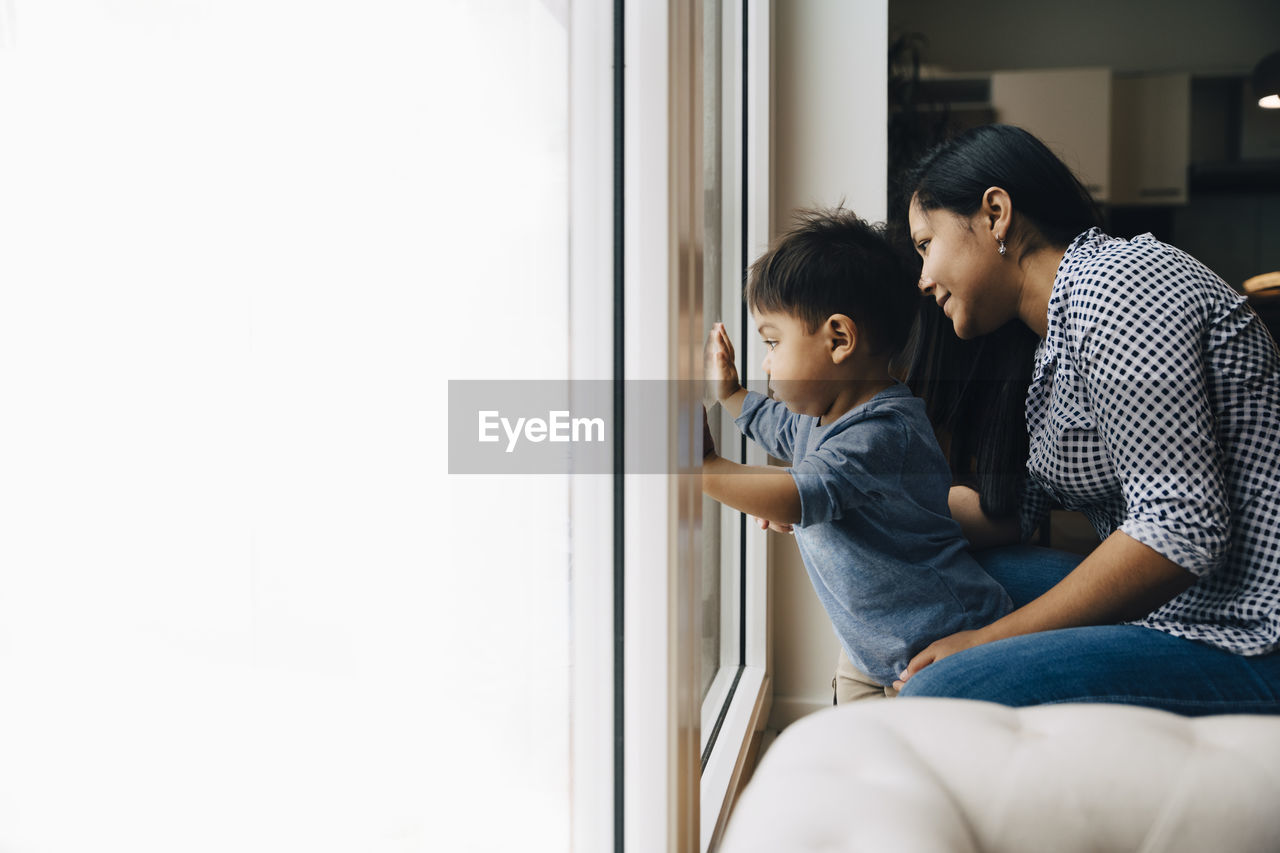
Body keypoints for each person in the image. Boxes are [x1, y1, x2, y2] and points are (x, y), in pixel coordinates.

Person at [890, 123, 1280, 714]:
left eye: (925, 244)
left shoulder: (1120, 284)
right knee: (931, 579)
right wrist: (838, 496)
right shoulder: (1049, 335)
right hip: (1182, 608)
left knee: (941, 691)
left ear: (995, 213)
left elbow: (1182, 528)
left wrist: (983, 644)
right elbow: (1008, 512)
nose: (922, 279)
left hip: (1252, 631)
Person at [701, 207, 1012, 702]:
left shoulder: (884, 432)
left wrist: (704, 469)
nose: (767, 362)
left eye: (773, 343)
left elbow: (805, 492)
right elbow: (780, 429)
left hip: (943, 638)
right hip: (872, 645)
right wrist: (732, 394)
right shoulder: (820, 416)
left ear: (839, 339)